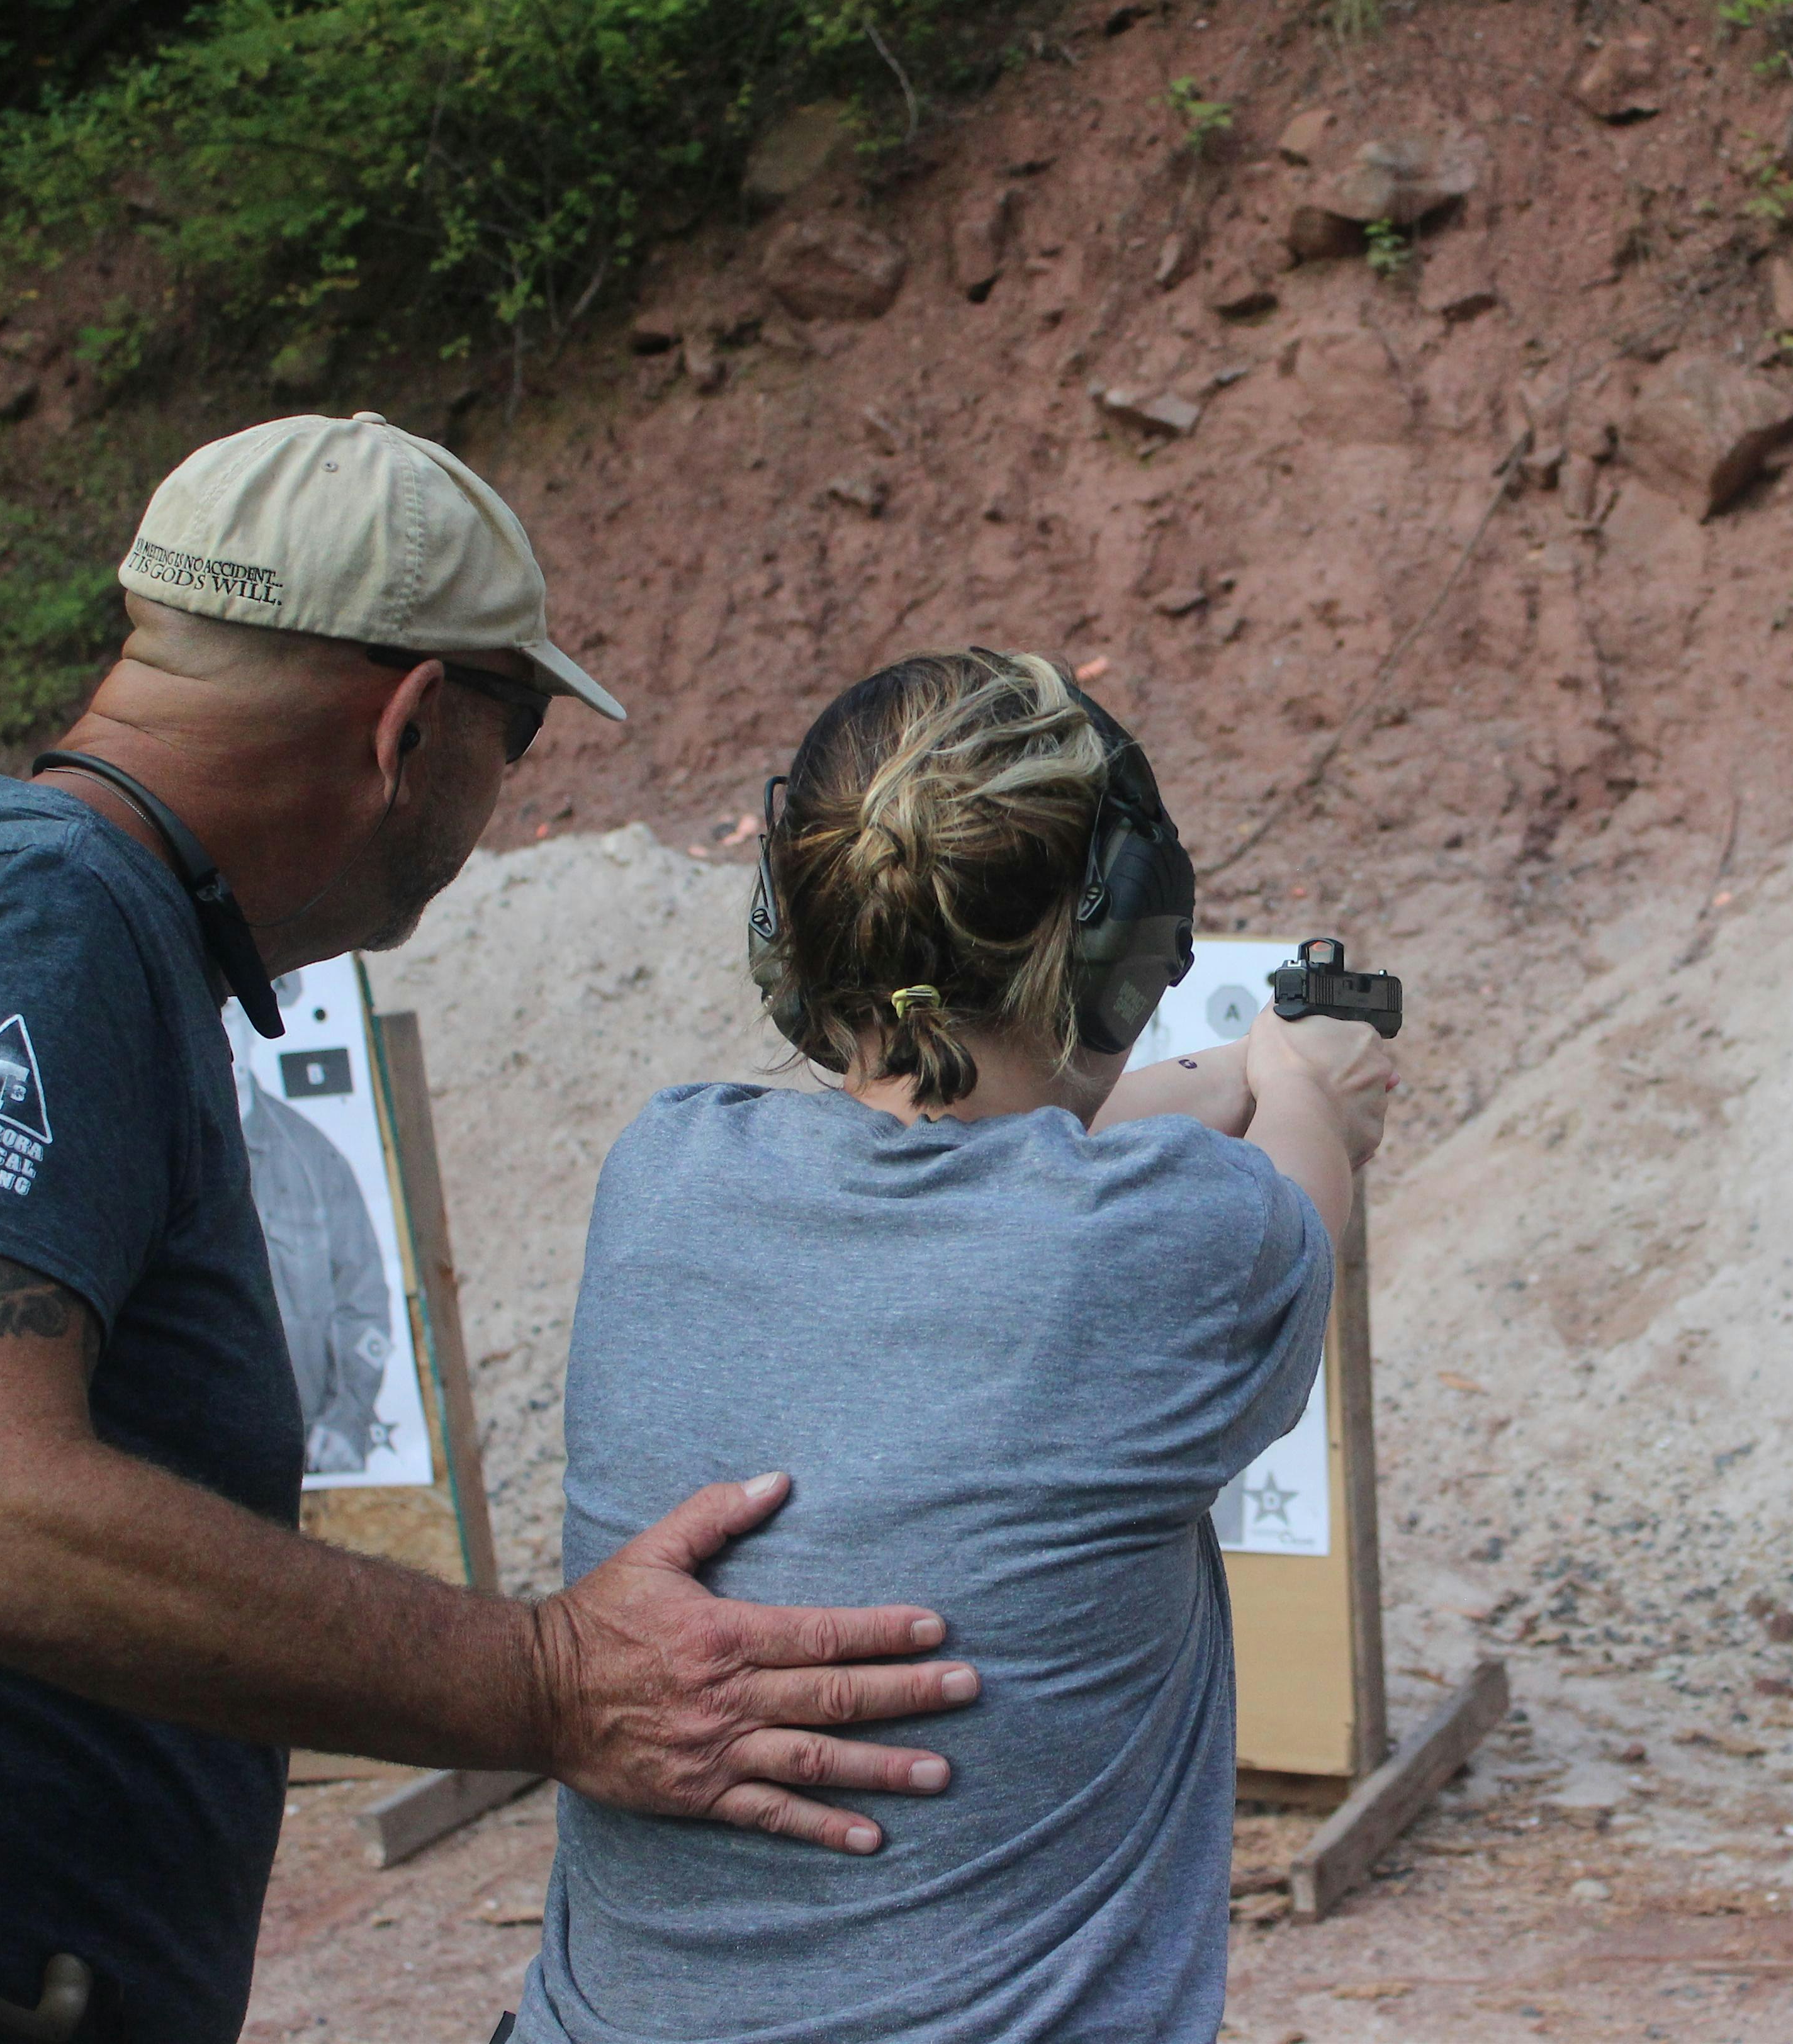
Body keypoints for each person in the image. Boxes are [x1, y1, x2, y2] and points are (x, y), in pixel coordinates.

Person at [0, 413, 981, 2044]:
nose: (500, 781)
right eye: (514, 727)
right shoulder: (45, 918)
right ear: (408, 725)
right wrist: (545, 1680)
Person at [512, 649, 1395, 2044]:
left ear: (790, 928)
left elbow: (987, 1184)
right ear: (1119, 948)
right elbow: (1296, 1183)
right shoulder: (1185, 1248)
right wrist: (1299, 1081)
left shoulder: (666, 1166)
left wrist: (1191, 1090)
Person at [228, 1005, 397, 1475]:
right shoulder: (154, 1156)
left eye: (228, 1015)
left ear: (250, 1030)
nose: (219, 1032)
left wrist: (348, 1419)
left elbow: (365, 1304)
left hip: (310, 1458)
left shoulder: (313, 1158)